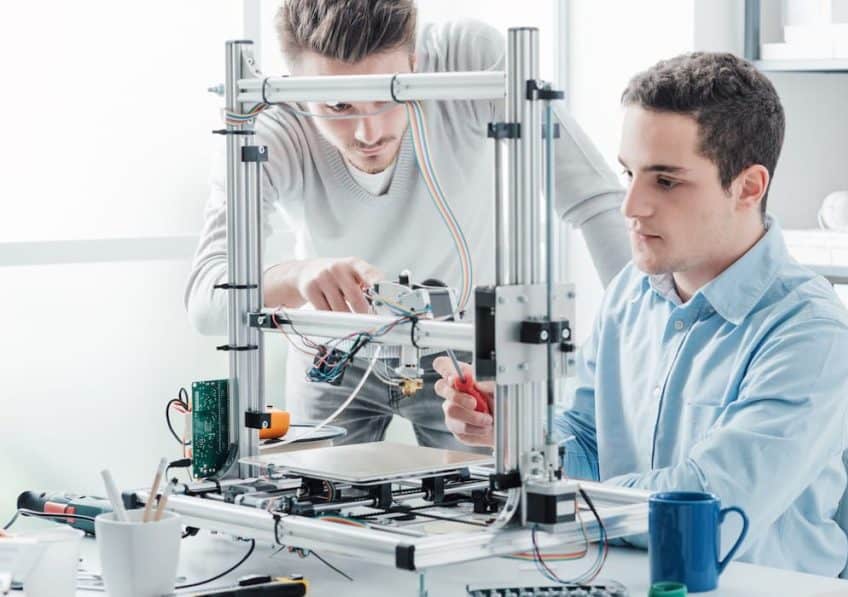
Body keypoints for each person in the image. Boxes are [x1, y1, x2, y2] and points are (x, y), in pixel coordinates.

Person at [435, 52, 848, 575]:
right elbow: (588, 439)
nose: (630, 206)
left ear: (748, 187)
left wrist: (563, 495)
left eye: (665, 181)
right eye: (628, 173)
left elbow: (704, 512)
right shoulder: (631, 294)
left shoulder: (809, 334)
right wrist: (520, 431)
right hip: (627, 574)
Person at [186, 0, 630, 451]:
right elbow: (206, 302)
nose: (368, 132)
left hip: (462, 351)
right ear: (296, 89)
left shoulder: (466, 60)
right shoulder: (269, 128)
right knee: (320, 503)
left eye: (388, 96)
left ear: (415, 61)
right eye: (338, 104)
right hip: (334, 352)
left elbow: (593, 199)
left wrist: (636, 340)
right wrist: (298, 276)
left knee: (480, 508)